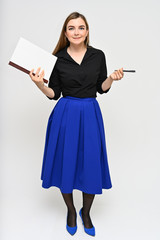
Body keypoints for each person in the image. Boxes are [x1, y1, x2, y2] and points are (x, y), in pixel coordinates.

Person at [29, 11, 124, 237]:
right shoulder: (58, 59)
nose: (76, 32)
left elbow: (101, 88)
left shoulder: (98, 56)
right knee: (67, 162)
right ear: (65, 32)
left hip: (90, 112)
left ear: (87, 31)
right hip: (66, 113)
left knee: (91, 163)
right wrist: (39, 85)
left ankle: (86, 212)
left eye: (81, 27)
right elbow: (54, 93)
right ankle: (71, 211)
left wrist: (112, 78)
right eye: (71, 28)